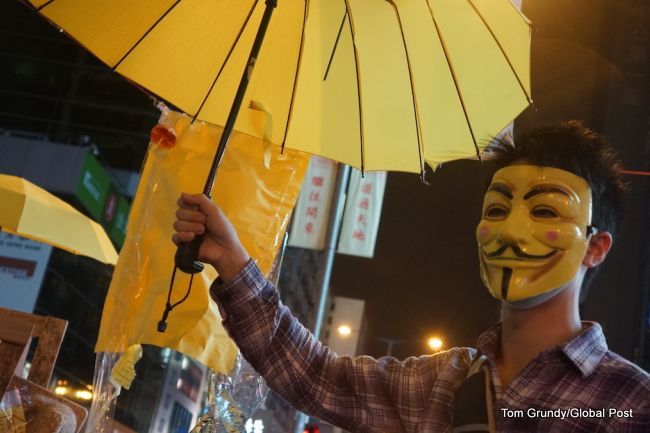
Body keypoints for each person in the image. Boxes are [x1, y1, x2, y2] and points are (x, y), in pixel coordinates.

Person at [172, 121, 650, 432]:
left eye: (546, 210)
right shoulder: (442, 380)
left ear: (595, 247)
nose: (511, 232)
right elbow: (315, 376)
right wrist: (233, 262)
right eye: (498, 209)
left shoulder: (630, 403)